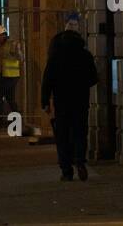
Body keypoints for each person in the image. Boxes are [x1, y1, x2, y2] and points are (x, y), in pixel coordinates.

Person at [41, 14, 98, 182]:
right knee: (80, 131)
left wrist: (45, 101)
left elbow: (47, 79)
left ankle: (66, 170)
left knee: (63, 134)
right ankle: (80, 160)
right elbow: (93, 78)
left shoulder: (56, 56)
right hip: (80, 100)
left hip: (62, 101)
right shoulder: (85, 55)